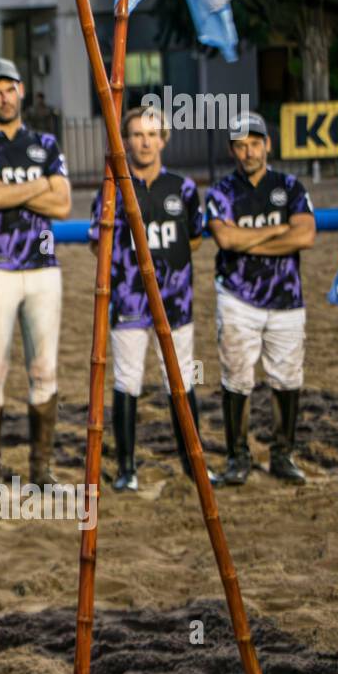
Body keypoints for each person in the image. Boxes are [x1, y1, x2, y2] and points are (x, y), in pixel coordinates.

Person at [87, 107, 219, 490]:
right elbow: (99, 243)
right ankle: (127, 468)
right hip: (128, 303)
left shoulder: (184, 187)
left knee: (180, 380)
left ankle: (192, 463)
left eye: (151, 134)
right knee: (128, 381)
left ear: (163, 139)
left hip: (176, 303)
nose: (144, 142)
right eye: (136, 134)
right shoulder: (111, 188)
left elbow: (195, 237)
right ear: (125, 141)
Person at [0, 57, 72, 488]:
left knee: (44, 370)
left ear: (21, 90)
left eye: (10, 89)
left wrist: (9, 193)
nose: (4, 97)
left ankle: (41, 469)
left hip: (43, 269)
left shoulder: (46, 143)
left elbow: (64, 205)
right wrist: (39, 186)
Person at [205, 113, 316, 486]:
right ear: (231, 149)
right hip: (236, 296)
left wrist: (250, 238)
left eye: (255, 143)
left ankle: (282, 455)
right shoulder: (220, 192)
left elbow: (305, 236)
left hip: (287, 298)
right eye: (240, 144)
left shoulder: (290, 185)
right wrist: (281, 228)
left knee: (287, 379)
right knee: (237, 379)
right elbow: (227, 241)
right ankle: (238, 457)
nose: (248, 151)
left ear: (267, 144)